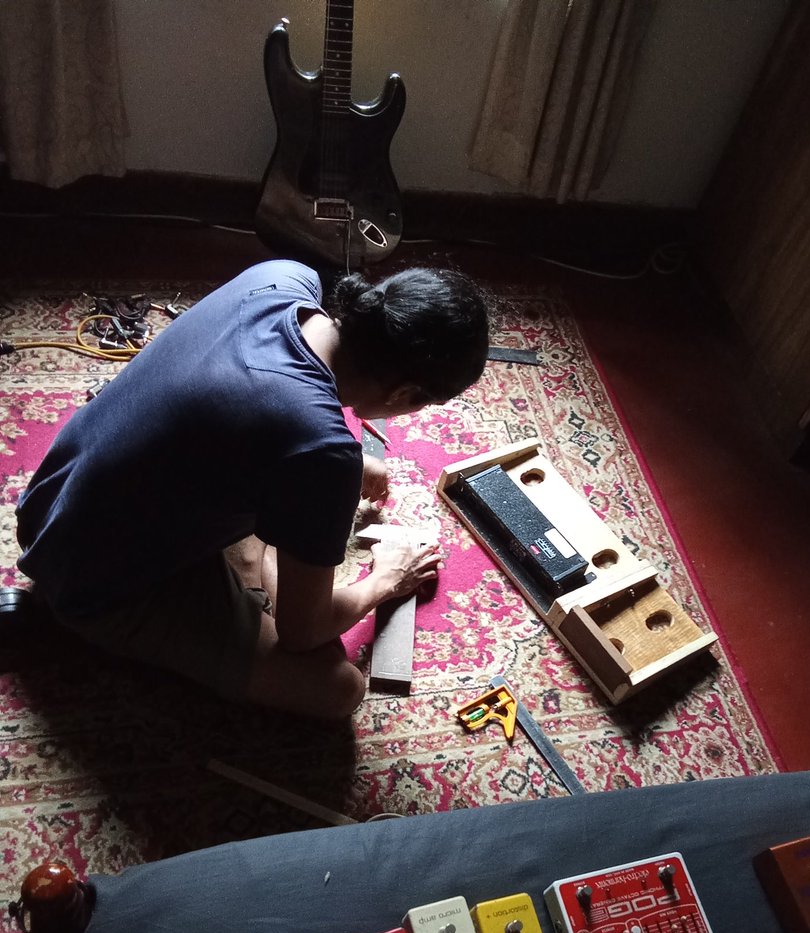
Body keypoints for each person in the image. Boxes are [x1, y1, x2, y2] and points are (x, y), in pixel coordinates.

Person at [15, 259, 489, 718]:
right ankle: (85, 626)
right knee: (339, 690)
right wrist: (388, 579)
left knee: (276, 513)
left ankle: (255, 563)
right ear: (404, 394)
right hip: (88, 582)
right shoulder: (320, 450)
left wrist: (334, 467)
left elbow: (244, 399)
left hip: (50, 503)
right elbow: (303, 633)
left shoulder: (282, 277)